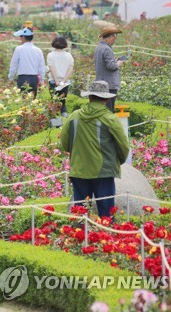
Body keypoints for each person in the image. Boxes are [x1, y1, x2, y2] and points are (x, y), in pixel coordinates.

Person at [61, 80, 129, 218]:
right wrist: (116, 162)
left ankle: (78, 238)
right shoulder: (110, 119)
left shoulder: (74, 117)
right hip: (103, 172)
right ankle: (105, 238)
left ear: (90, 97)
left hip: (79, 170)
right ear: (105, 99)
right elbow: (124, 146)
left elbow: (64, 143)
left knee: (80, 213)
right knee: (106, 216)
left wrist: (76, 155)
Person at [8, 27, 45, 99]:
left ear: (24, 37)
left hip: (22, 78)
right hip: (34, 78)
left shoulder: (18, 49)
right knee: (33, 101)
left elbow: (13, 65)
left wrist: (11, 78)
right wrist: (42, 80)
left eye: (21, 36)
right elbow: (41, 67)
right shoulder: (38, 50)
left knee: (22, 100)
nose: (20, 38)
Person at [94, 25, 124, 112]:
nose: (115, 39)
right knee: (109, 111)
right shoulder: (107, 49)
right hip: (109, 85)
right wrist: (118, 63)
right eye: (114, 37)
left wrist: (114, 61)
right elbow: (111, 66)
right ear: (110, 37)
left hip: (101, 83)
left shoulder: (98, 47)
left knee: (102, 110)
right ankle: (107, 126)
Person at [47, 36, 74, 117]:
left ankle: (54, 121)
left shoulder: (50, 55)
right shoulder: (68, 55)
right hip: (65, 83)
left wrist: (56, 81)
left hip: (53, 81)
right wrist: (64, 81)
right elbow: (70, 68)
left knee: (54, 101)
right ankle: (64, 119)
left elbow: (52, 69)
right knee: (63, 102)